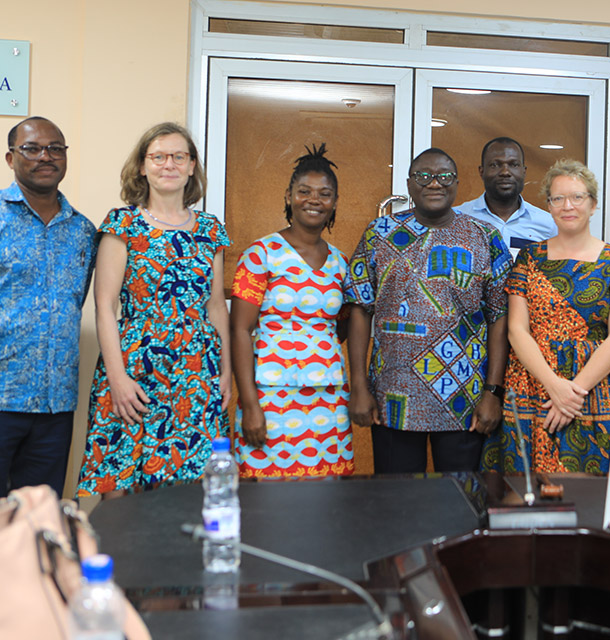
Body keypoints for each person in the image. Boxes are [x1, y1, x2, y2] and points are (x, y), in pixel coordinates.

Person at [76, 122, 231, 497]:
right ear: (143, 166)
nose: (169, 165)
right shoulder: (123, 223)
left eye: (179, 156)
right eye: (158, 156)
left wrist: (226, 371)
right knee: (120, 488)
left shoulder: (211, 230)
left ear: (192, 166)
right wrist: (117, 378)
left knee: (190, 491)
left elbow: (215, 305)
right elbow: (104, 305)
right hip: (134, 370)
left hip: (197, 372)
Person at [344, 148, 510, 473]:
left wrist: (493, 392)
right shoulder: (378, 234)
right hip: (393, 397)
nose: (434, 183)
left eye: (444, 176)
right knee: (397, 505)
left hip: (466, 400)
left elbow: (500, 318)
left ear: (457, 183)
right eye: (424, 176)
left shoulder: (484, 237)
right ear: (409, 183)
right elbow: (360, 309)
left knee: (461, 503)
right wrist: (359, 386)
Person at [481, 160, 610, 473]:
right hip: (531, 381)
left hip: (596, 386)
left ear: (593, 204)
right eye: (558, 199)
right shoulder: (529, 257)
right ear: (549, 206)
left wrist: (572, 393)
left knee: (593, 486)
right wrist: (554, 386)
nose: (568, 206)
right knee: (524, 488)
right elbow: (516, 329)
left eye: (578, 197)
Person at [230, 144, 353, 478]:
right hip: (271, 398)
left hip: (328, 398)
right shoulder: (261, 254)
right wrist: (250, 404)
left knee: (324, 498)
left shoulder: (341, 264)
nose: (314, 200)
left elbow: (340, 328)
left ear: (335, 203)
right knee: (268, 500)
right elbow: (239, 330)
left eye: (324, 194)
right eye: (304, 192)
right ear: (288, 197)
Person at [0, 117, 96, 498]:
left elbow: (76, 303)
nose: (46, 156)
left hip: (55, 406)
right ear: (10, 158)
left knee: (40, 521)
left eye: (56, 148)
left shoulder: (84, 231)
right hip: (1, 397)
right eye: (33, 148)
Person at [455, 137, 556, 258]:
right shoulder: (458, 219)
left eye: (514, 165)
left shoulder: (549, 225)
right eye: (495, 165)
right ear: (481, 172)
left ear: (524, 171)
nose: (505, 172)